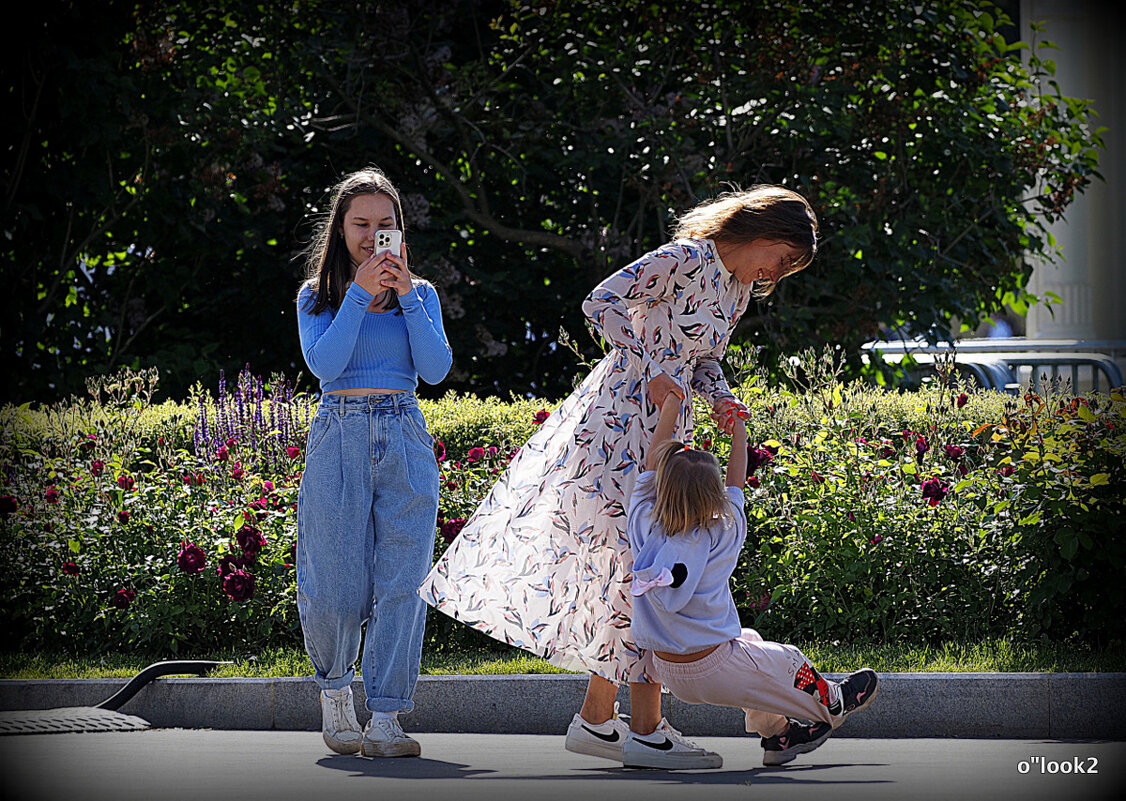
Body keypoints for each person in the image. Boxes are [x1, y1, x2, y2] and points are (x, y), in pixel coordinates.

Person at [420, 186, 818, 769]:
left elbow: (703, 360)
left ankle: (597, 720)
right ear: (761, 229)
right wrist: (653, 366)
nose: (777, 272)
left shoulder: (734, 292)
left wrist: (723, 400)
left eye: (787, 267)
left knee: (631, 571)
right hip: (619, 420)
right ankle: (645, 731)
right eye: (782, 256)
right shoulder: (685, 258)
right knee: (641, 567)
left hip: (663, 421)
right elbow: (599, 301)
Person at [626, 392, 879, 768]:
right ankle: (833, 702)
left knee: (751, 641)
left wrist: (671, 408)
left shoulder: (644, 525)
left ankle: (777, 734)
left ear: (662, 488)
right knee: (787, 660)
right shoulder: (722, 532)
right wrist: (738, 430)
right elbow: (736, 485)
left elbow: (649, 469)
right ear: (715, 499)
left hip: (670, 672)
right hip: (715, 666)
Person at [295, 167, 452, 758]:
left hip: (404, 431)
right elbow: (327, 366)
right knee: (334, 582)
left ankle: (386, 715)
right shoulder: (318, 296)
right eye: (360, 224)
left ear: (400, 232)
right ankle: (336, 694)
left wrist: (408, 297)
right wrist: (359, 292)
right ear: (340, 230)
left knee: (403, 583)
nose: (372, 235)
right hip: (339, 432)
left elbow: (435, 370)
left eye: (384, 225)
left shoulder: (424, 295)